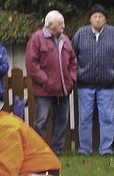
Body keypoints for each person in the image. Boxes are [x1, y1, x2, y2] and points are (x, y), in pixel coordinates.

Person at [26, 10, 77, 156]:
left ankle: (56, 151)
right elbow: (32, 64)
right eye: (60, 23)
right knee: (41, 121)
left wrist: (71, 79)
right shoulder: (37, 39)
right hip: (44, 91)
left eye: (63, 23)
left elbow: (73, 61)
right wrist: (46, 81)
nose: (63, 25)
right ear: (50, 25)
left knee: (61, 120)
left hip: (63, 90)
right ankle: (39, 152)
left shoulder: (65, 39)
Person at [72, 4, 114, 156]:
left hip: (107, 85)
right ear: (90, 18)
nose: (97, 19)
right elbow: (72, 56)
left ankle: (106, 149)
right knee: (84, 118)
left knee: (108, 118)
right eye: (94, 16)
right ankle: (85, 149)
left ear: (106, 19)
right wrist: (76, 73)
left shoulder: (113, 34)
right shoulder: (81, 34)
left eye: (101, 16)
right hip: (85, 84)